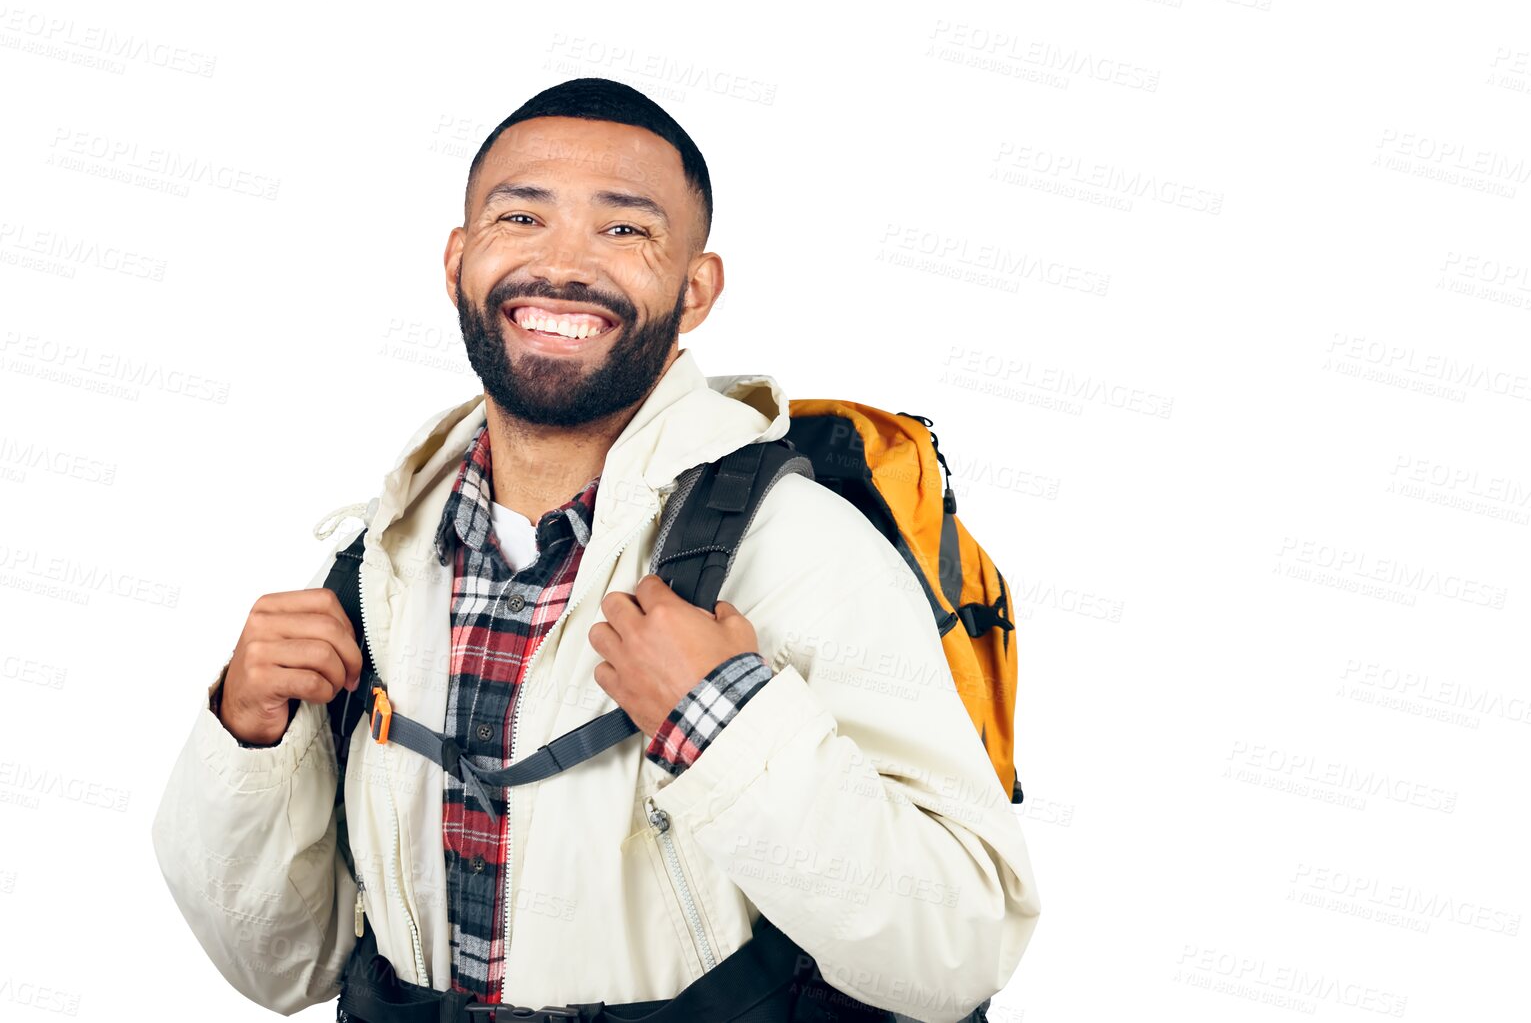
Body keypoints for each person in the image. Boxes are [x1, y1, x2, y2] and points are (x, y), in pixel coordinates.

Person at [150, 77, 1041, 1023]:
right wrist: (249, 739)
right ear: (459, 261)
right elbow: (280, 970)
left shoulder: (797, 547)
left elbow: (959, 952)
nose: (564, 263)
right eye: (521, 216)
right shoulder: (376, 563)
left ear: (695, 288)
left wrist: (719, 719)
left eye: (625, 230)